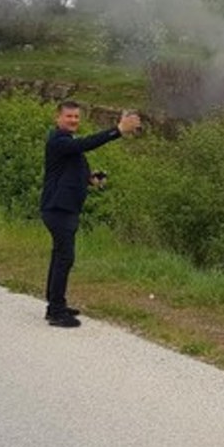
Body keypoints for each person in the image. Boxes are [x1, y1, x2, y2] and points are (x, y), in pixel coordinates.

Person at [41, 101, 141, 327]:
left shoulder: (68, 142)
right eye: (69, 116)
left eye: (77, 116)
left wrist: (90, 179)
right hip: (58, 209)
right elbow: (86, 145)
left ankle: (56, 304)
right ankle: (56, 311)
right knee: (64, 258)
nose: (74, 120)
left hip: (64, 208)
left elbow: (73, 165)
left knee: (60, 257)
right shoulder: (58, 140)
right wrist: (118, 130)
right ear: (58, 118)